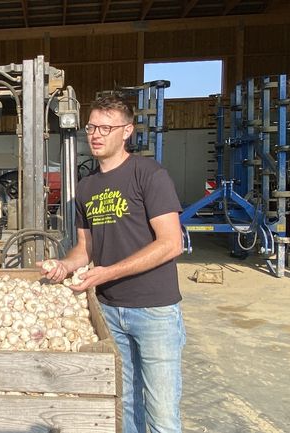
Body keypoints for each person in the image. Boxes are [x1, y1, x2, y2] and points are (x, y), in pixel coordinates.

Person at [38, 95, 185, 433]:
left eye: (107, 127)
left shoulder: (149, 174)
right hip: (109, 311)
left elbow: (171, 243)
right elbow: (84, 250)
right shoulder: (86, 187)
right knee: (126, 403)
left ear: (127, 131)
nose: (96, 134)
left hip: (154, 311)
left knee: (161, 413)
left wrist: (109, 272)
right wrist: (63, 265)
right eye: (91, 127)